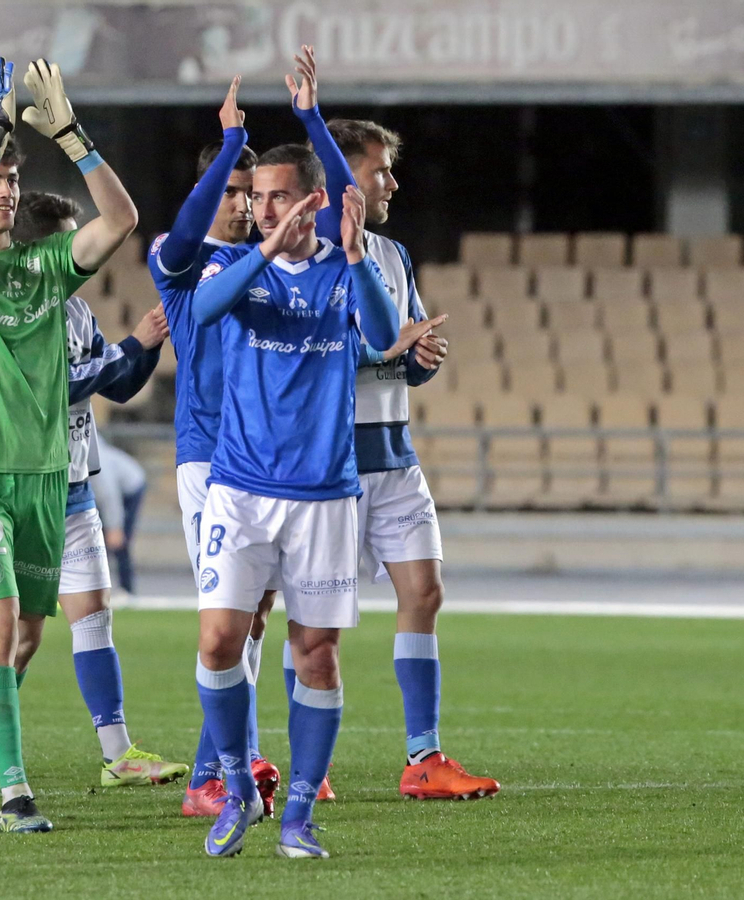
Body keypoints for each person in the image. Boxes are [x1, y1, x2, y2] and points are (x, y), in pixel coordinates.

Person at [0, 58, 138, 834]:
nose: (5, 189)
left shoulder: (45, 269)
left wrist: (70, 136)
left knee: (25, 639)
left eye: (13, 178)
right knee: (0, 627)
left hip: (45, 472)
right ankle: (13, 792)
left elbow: (120, 222)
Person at [289, 46, 495, 800]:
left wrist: (419, 358)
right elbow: (310, 358)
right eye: (379, 170)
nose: (393, 183)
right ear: (342, 175)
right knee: (318, 629)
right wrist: (388, 346)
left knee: (426, 593)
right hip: (329, 465)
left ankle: (424, 758)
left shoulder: (393, 252)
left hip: (395, 455)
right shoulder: (306, 257)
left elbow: (399, 351)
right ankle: (313, 764)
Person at [190, 143, 398, 858]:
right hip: (241, 489)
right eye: (258, 198)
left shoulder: (345, 272)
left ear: (312, 200)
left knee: (315, 655)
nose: (263, 208)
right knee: (219, 640)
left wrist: (357, 253)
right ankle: (238, 786)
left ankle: (298, 816)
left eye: (279, 196)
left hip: (323, 496)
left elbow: (382, 332)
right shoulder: (235, 269)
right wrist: (266, 247)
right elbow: (207, 309)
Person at [6, 190, 189, 787]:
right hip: (18, 490)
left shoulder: (76, 312)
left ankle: (118, 754)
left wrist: (148, 346)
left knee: (93, 615)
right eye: (72, 240)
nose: (89, 248)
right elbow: (52, 389)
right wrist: (133, 344)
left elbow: (111, 387)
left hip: (75, 488)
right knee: (18, 636)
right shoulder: (11, 311)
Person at [147, 77, 285, 819]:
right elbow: (186, 229)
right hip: (209, 458)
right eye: (230, 188)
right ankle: (216, 773)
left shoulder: (274, 260)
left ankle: (229, 762)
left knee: (255, 615)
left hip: (269, 461)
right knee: (225, 614)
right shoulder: (178, 254)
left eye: (250, 190)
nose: (241, 202)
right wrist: (230, 141)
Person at [88, 432, 146, 593]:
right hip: (103, 494)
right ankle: (96, 588)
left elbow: (110, 497)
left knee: (120, 540)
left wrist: (115, 527)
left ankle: (126, 589)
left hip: (130, 489)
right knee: (98, 540)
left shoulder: (96, 462)